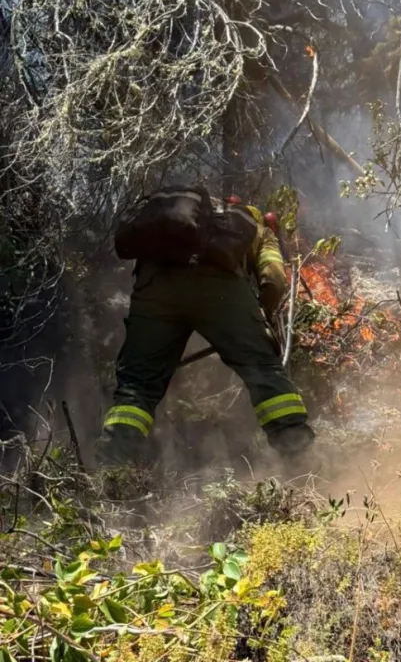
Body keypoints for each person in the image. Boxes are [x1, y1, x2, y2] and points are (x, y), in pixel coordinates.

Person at [97, 193, 314, 472]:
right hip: (219, 289)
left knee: (137, 386)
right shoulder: (256, 223)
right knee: (262, 369)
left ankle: (111, 469)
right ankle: (300, 458)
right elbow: (273, 279)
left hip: (154, 290)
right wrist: (261, 319)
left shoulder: (186, 220)